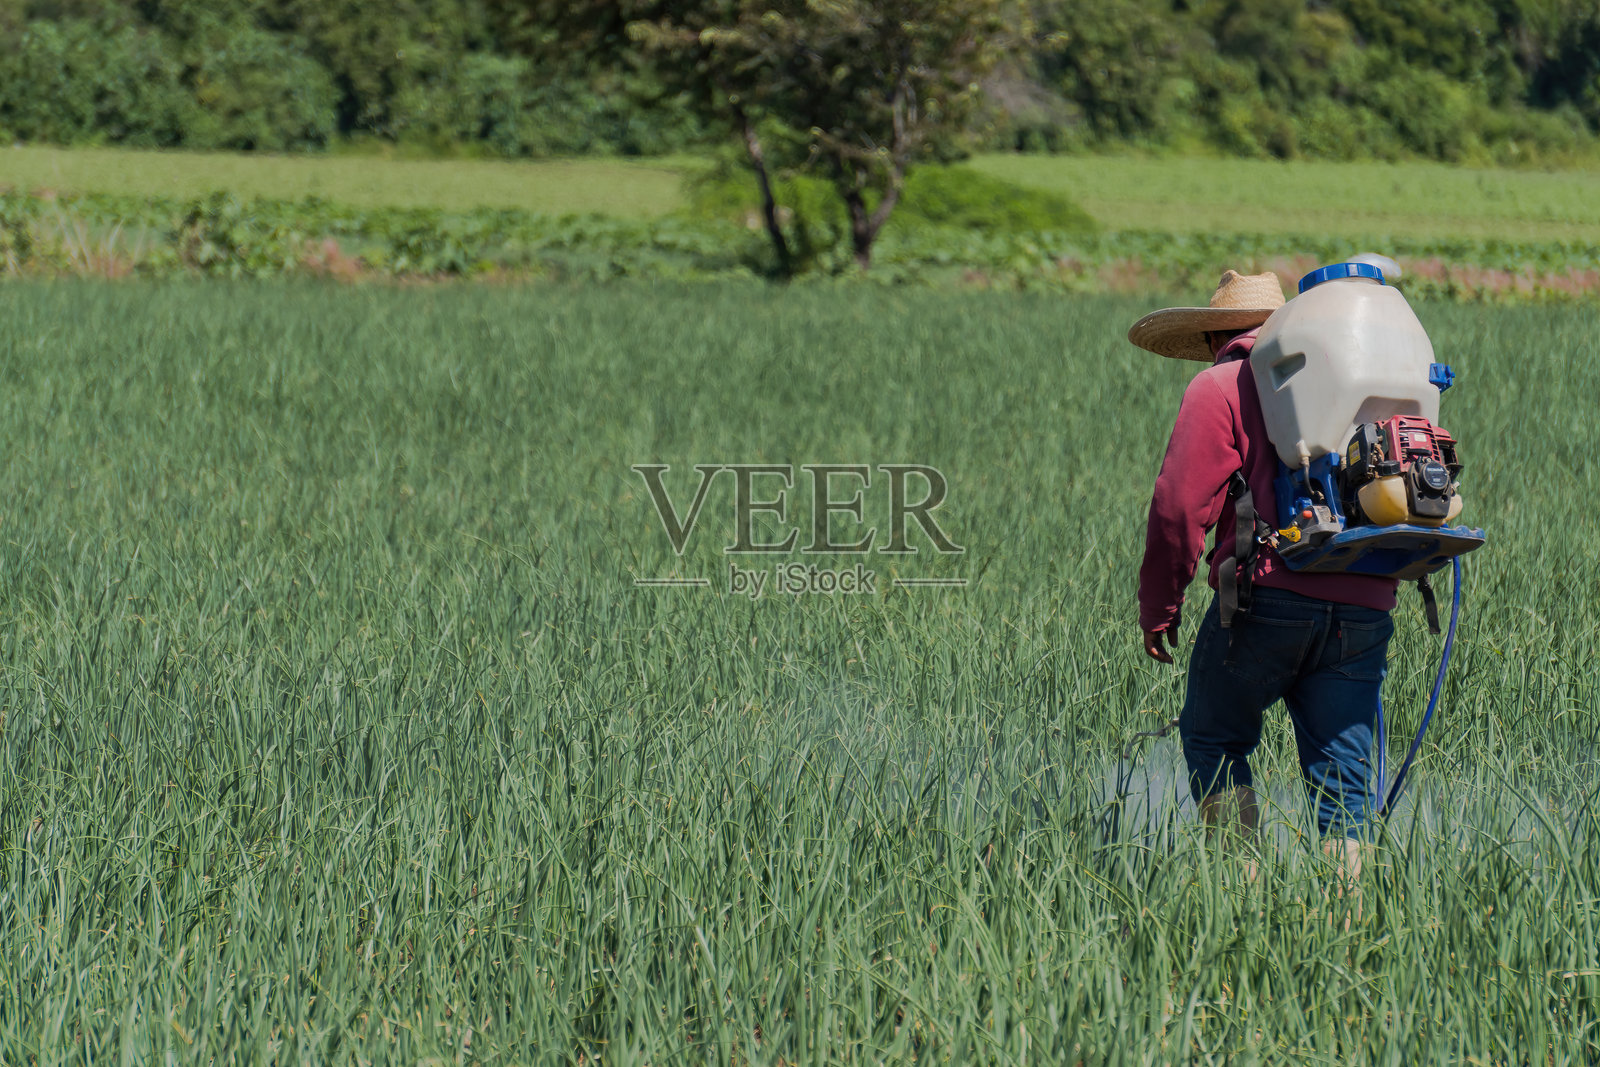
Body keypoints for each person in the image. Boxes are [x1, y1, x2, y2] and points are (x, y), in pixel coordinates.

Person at [1128, 270, 1399, 875]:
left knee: (1214, 742)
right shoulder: (1354, 370)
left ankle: (1242, 902)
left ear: (1212, 338)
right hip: (1366, 600)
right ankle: (1349, 931)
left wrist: (1160, 607)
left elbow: (1178, 507)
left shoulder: (1222, 382)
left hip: (1265, 598)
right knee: (1345, 784)